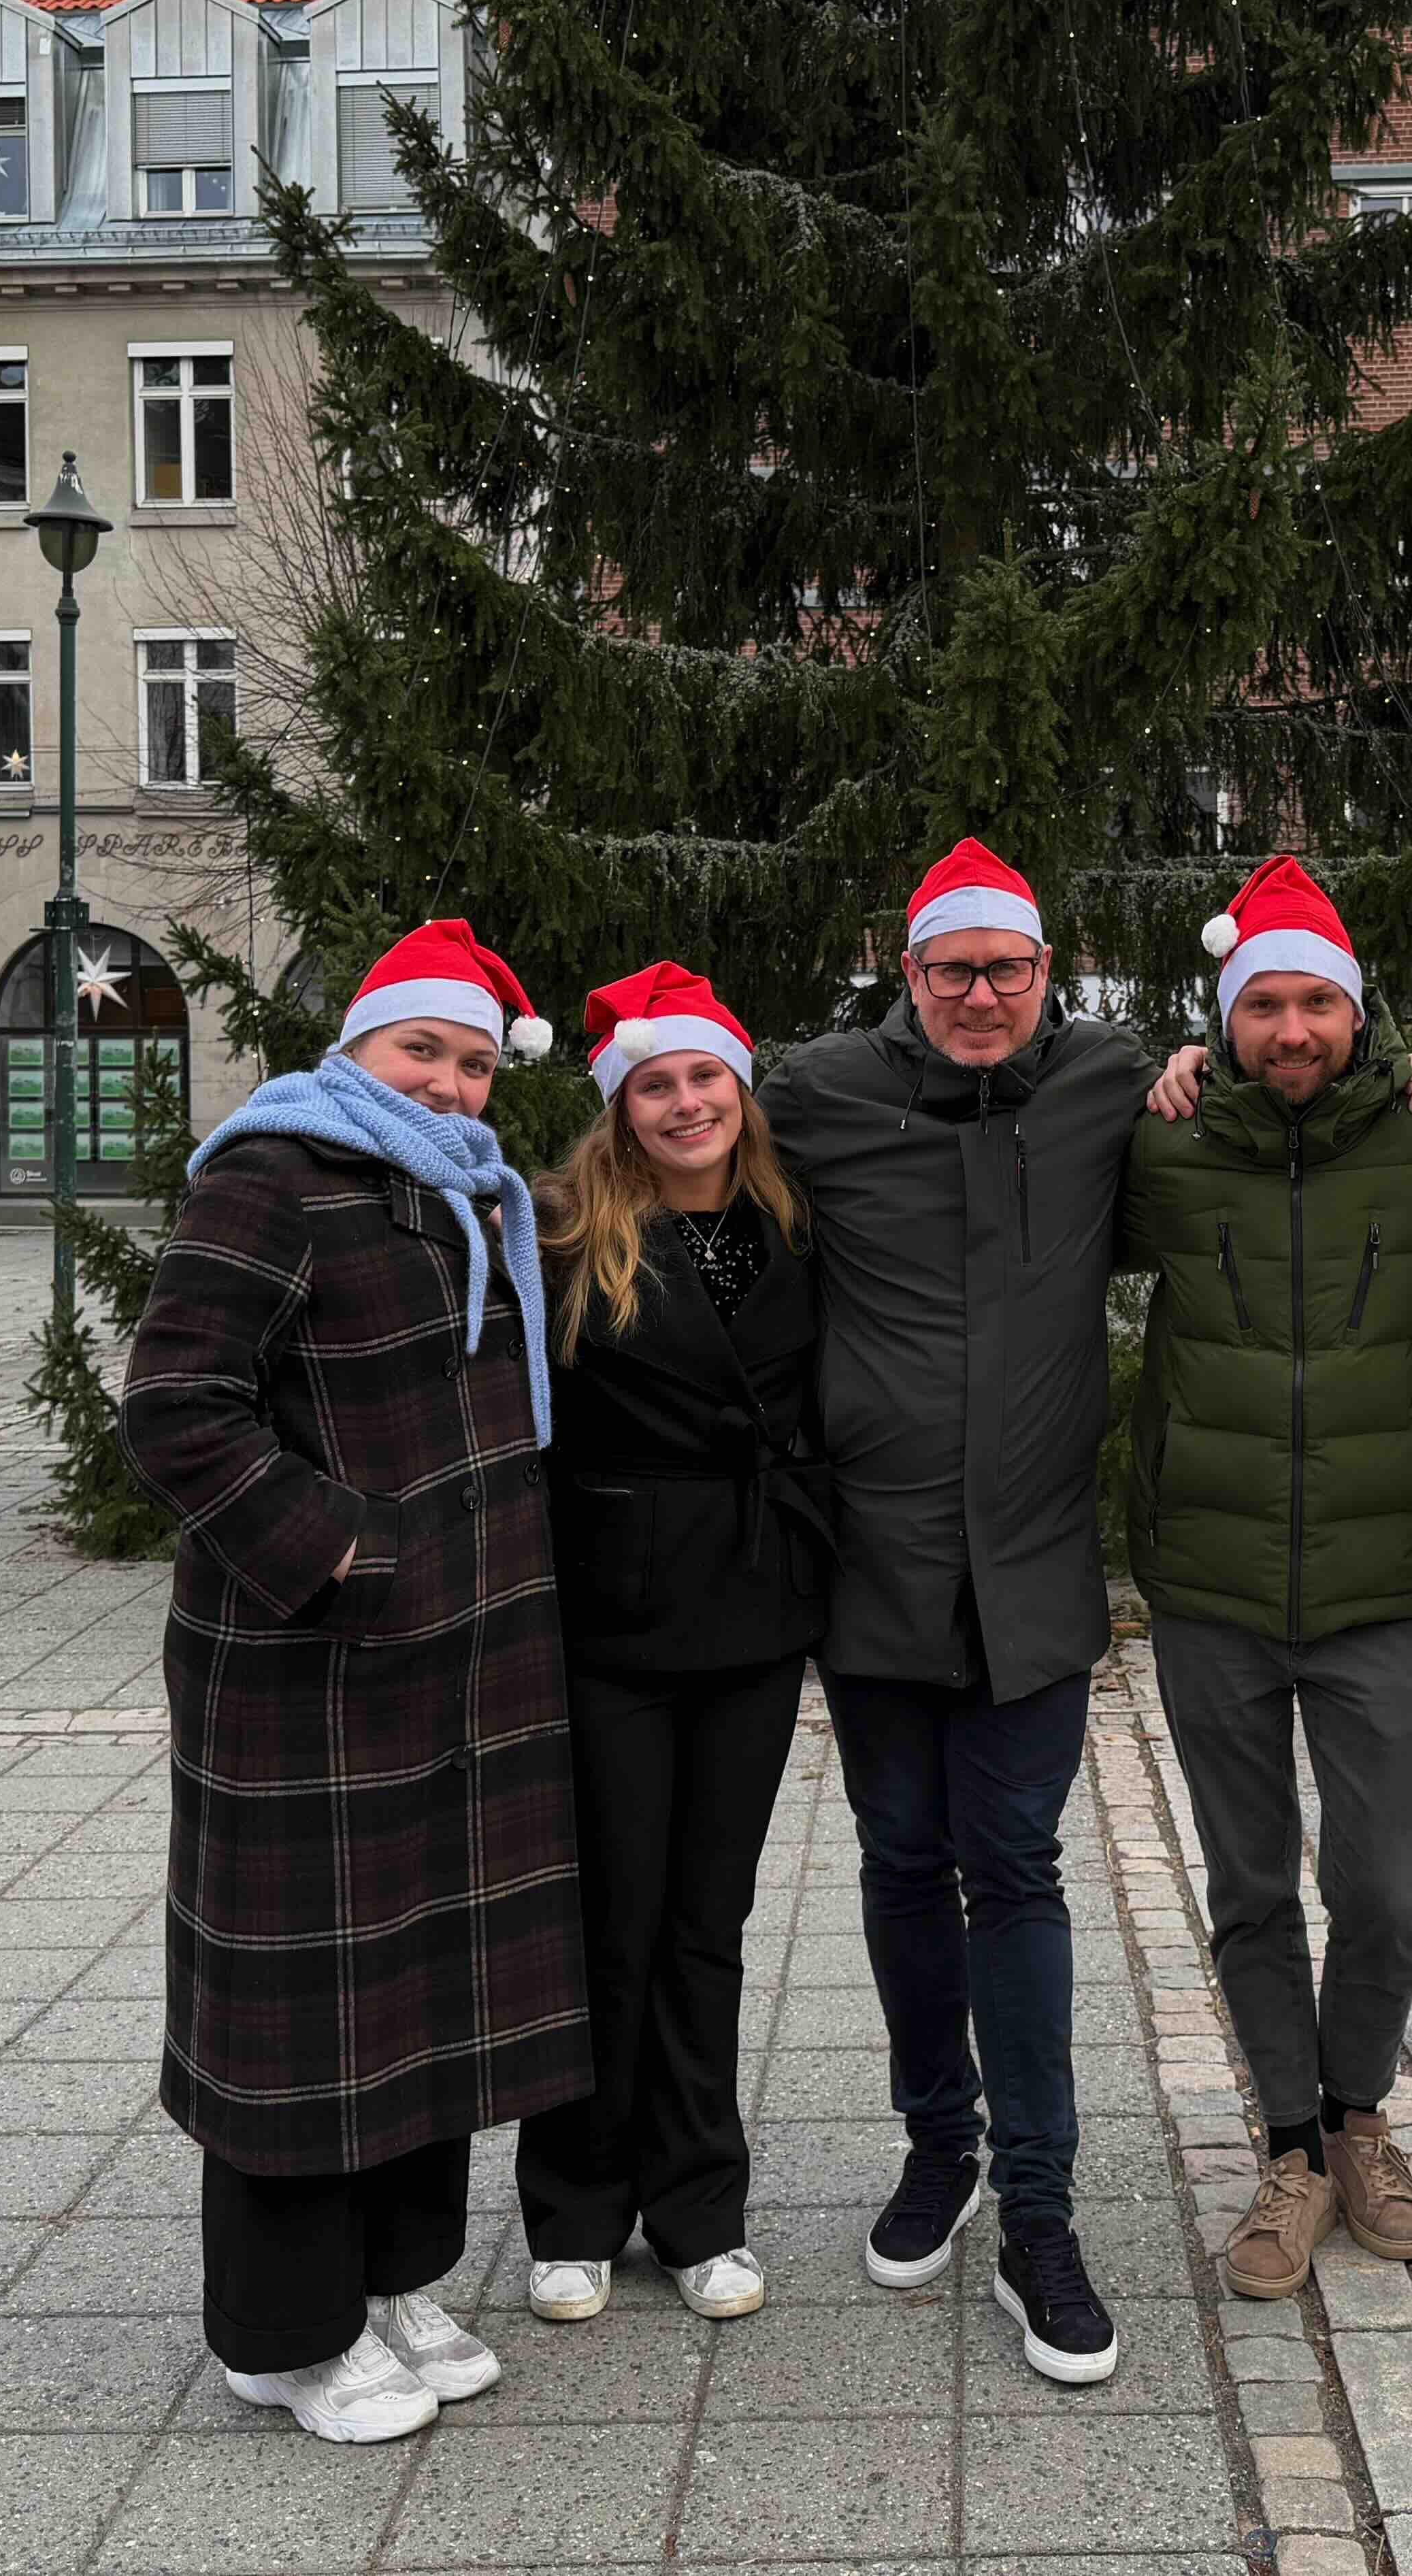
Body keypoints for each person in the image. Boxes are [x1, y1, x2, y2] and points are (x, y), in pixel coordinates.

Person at [119, 919, 589, 2445]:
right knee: (305, 2010)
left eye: (473, 1062)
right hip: (306, 1671)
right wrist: (348, 1556)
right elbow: (177, 1407)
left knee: (423, 1988)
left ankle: (394, 2283)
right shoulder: (274, 1175)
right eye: (420, 1051)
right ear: (357, 1049)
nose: (449, 1082)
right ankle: (282, 2337)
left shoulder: (468, 1190)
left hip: (464, 1667)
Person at [757, 838, 1147, 2385]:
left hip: (1034, 1568)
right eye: (953, 970)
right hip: (879, 1564)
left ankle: (1041, 2210)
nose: (982, 995)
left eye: (1010, 969)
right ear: (907, 972)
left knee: (1018, 1870)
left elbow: (1279, 1094)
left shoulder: (1111, 1081)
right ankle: (942, 2146)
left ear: (1049, 972)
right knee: (904, 1863)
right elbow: (676, 1157)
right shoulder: (819, 1092)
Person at [1119, 855, 1412, 2300]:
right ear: (1225, 1022)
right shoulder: (1163, 1141)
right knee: (1252, 1884)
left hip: (1374, 1584)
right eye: (1261, 1005)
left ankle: (1358, 2118)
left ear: (1357, 1013)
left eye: (1315, 1003)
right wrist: (1159, 1075)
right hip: (1208, 1582)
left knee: (1383, 1887)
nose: (1291, 1030)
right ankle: (1288, 2146)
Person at [514, 962, 831, 2327]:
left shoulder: (797, 1217)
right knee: (609, 1922)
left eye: (707, 1076)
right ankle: (577, 2208)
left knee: (709, 1923)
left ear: (741, 1087)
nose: (687, 1103)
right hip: (614, 1613)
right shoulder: (560, 1234)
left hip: (755, 1609)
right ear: (620, 1105)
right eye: (658, 1084)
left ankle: (702, 2209)